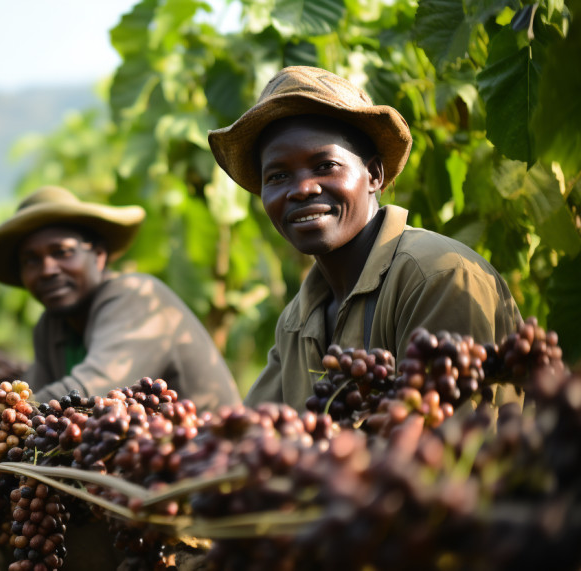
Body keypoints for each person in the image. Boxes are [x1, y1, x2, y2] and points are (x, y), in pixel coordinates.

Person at [207, 66, 522, 411]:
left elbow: (449, 451)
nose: (301, 189)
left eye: (325, 166)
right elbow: (251, 436)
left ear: (373, 175)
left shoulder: (437, 276)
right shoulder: (297, 321)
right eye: (278, 175)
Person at [0, 185, 241, 413]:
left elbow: (91, 392)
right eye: (31, 260)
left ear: (99, 255)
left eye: (62, 252)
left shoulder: (136, 297)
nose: (47, 269)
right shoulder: (51, 325)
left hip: (212, 460)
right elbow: (31, 398)